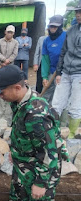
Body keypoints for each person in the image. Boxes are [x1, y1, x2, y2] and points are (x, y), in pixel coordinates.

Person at [0, 65, 68, 201]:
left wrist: (40, 183)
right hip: (24, 168)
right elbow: (24, 133)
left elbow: (49, 152)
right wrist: (15, 149)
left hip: (38, 174)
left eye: (1, 92)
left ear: (17, 88)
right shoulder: (20, 102)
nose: (0, 96)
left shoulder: (36, 115)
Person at [53, 1, 81, 138]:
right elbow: (63, 52)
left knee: (76, 106)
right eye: (77, 12)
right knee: (56, 103)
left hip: (79, 74)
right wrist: (59, 72)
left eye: (80, 12)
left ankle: (71, 135)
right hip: (65, 72)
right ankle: (53, 131)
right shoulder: (71, 31)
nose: (78, 14)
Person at [0, 24, 19, 125]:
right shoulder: (0, 41)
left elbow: (15, 54)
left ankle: (7, 120)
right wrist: (4, 60)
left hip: (11, 68)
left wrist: (8, 61)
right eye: (8, 32)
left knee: (10, 91)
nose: (9, 34)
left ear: (13, 33)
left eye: (11, 32)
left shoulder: (16, 42)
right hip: (1, 68)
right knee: (0, 91)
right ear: (5, 32)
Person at [41, 15, 66, 105]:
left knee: (59, 96)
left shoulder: (66, 36)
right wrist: (44, 77)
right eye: (51, 26)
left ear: (59, 27)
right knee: (46, 94)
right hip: (52, 71)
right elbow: (45, 60)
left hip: (64, 72)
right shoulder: (46, 41)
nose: (52, 28)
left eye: (55, 27)